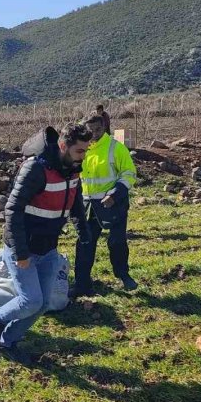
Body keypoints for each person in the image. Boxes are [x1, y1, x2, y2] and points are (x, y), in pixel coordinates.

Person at [0, 124, 91, 364]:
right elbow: (12, 209)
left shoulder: (73, 171)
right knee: (30, 300)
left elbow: (75, 205)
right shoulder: (35, 168)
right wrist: (21, 253)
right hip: (23, 248)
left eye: (86, 150)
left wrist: (84, 231)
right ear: (63, 146)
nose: (84, 156)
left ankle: (8, 340)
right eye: (80, 151)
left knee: (42, 304)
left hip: (48, 248)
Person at [73, 114, 138, 296]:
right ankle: (82, 285)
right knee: (85, 244)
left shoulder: (116, 148)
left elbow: (128, 173)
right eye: (90, 131)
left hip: (114, 204)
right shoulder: (82, 149)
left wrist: (115, 194)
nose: (94, 134)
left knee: (117, 242)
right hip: (89, 206)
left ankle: (124, 275)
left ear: (104, 128)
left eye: (98, 130)